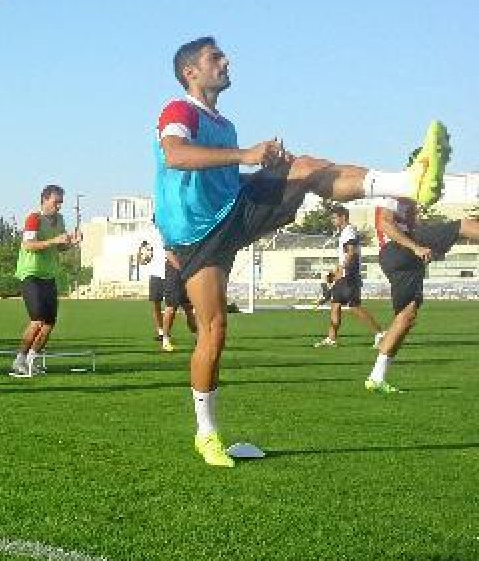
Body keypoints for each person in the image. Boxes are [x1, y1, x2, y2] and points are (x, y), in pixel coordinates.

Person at [154, 36, 448, 467]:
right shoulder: (178, 110)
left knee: (306, 167)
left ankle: (406, 182)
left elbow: (227, 182)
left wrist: (269, 173)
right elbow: (175, 155)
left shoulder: (225, 123)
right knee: (213, 334)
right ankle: (207, 433)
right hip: (197, 238)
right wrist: (246, 154)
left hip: (231, 211)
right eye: (215, 57)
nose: (226, 60)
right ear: (190, 72)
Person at [367, 171, 478, 393]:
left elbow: (413, 230)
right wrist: (415, 247)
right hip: (396, 251)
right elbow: (384, 224)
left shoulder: (412, 199)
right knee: (463, 225)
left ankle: (376, 377)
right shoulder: (396, 188)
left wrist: (428, 248)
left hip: (401, 258)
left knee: (406, 317)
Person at [11, 185, 78, 377]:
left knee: (49, 323)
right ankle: (19, 360)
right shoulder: (34, 219)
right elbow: (28, 245)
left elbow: (60, 248)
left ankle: (31, 361)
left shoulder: (60, 220)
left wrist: (71, 242)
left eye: (61, 203)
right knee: (37, 319)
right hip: (31, 273)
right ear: (44, 200)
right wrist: (54, 241)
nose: (59, 206)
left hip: (49, 275)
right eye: (56, 202)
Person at [313, 205, 384, 348]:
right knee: (335, 305)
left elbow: (351, 252)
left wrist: (341, 269)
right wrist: (335, 273)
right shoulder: (345, 232)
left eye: (334, 217)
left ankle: (380, 333)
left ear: (343, 217)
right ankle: (331, 339)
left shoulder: (349, 232)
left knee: (354, 307)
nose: (332, 221)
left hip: (349, 275)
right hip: (344, 275)